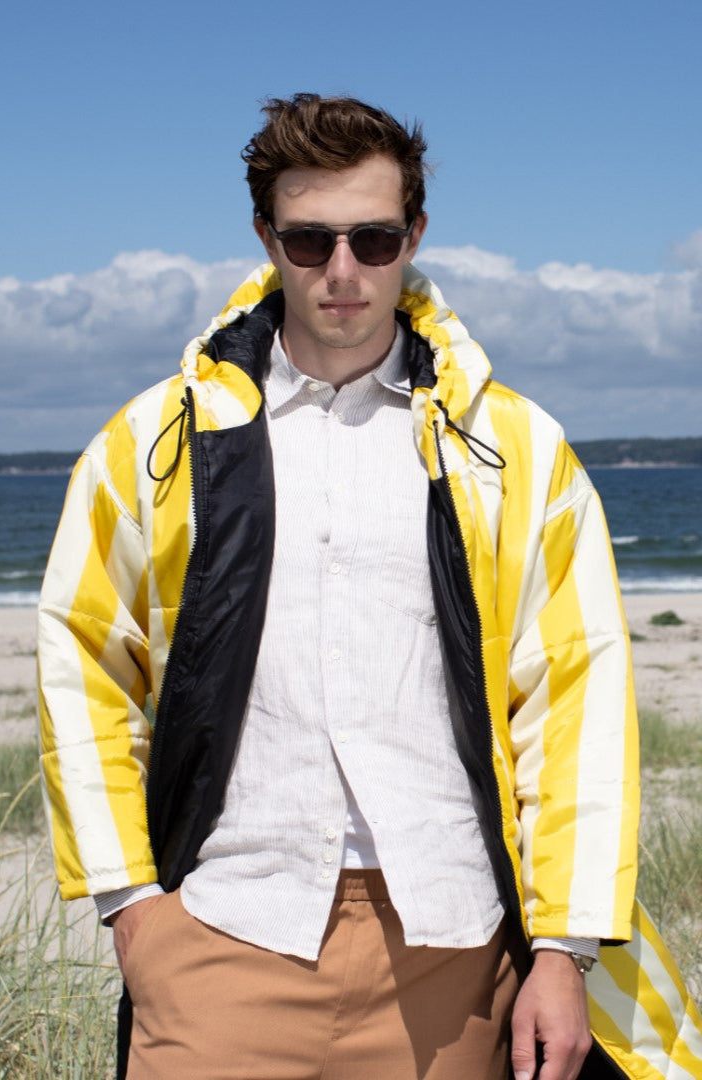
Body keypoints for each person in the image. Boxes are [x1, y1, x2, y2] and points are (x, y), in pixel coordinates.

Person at [38, 94, 702, 1080]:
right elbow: (84, 662)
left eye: (374, 239)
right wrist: (131, 907)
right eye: (310, 241)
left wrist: (563, 953)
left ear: (414, 236)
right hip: (225, 931)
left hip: (450, 945)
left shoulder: (514, 448)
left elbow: (573, 698)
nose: (342, 271)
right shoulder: (155, 442)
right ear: (266, 237)